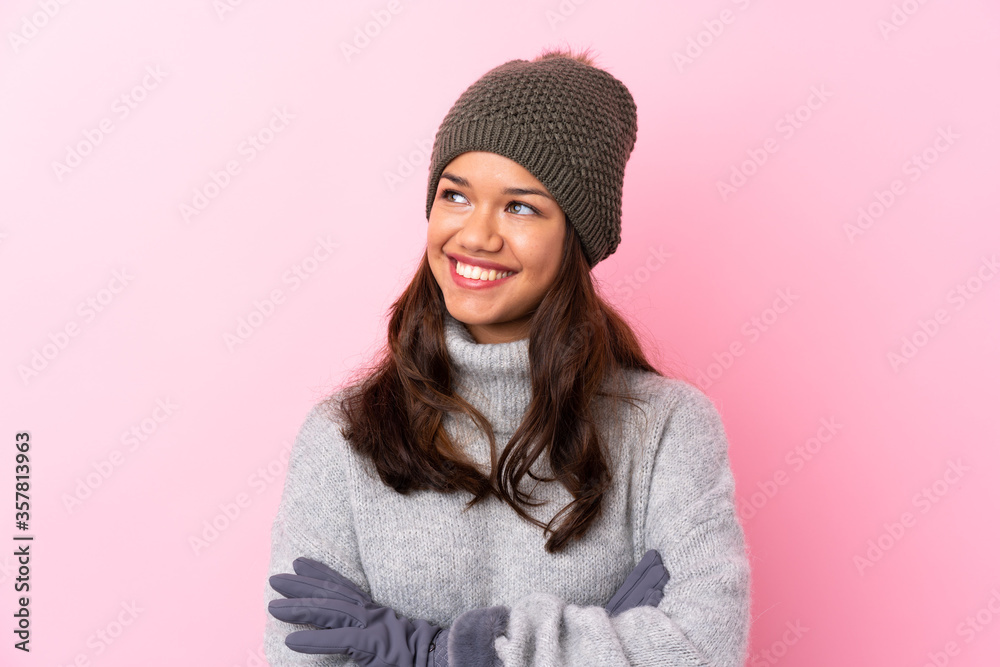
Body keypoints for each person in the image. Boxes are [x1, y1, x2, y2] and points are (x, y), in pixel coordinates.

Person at [264, 46, 752, 666]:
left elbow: (703, 652)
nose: (475, 235)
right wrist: (606, 643)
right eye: (455, 195)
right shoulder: (342, 437)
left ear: (575, 238)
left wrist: (436, 652)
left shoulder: (668, 430)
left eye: (521, 206)